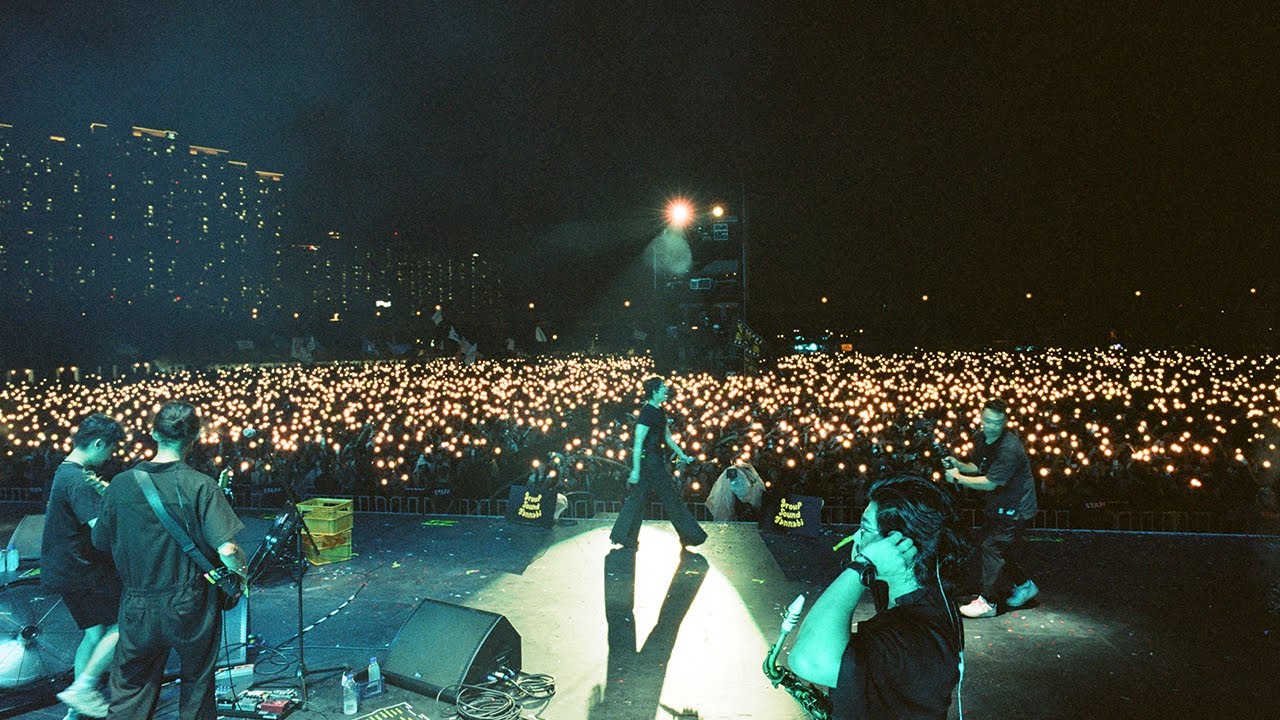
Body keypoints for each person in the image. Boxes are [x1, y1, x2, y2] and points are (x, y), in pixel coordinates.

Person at [92, 402, 247, 720]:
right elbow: (228, 550)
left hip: (138, 604)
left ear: (153, 433)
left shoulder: (121, 484)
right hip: (190, 603)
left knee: (131, 692)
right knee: (196, 687)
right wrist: (240, 576)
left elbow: (101, 542)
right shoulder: (200, 485)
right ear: (194, 438)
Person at [789, 475, 965, 719]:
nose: (857, 537)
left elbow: (807, 660)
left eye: (865, 528)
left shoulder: (912, 636)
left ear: (899, 542)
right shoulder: (915, 597)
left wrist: (862, 566)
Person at [41, 413, 126, 719]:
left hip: (65, 570)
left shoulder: (65, 472)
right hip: (82, 571)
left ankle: (75, 710)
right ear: (99, 443)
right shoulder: (78, 479)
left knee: (94, 633)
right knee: (125, 622)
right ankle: (83, 688)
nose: (110, 456)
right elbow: (99, 530)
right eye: (111, 449)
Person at [943, 398, 1039, 618]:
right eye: (988, 421)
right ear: (981, 418)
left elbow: (990, 482)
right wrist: (959, 465)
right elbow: (978, 467)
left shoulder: (1009, 449)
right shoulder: (981, 438)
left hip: (1016, 507)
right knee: (1000, 548)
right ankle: (1025, 586)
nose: (992, 426)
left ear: (1005, 422)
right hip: (999, 505)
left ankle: (989, 602)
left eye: (997, 422)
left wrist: (957, 478)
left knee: (992, 547)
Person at [610, 375, 707, 549]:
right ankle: (690, 535)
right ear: (654, 392)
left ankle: (624, 536)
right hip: (650, 463)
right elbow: (638, 442)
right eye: (663, 387)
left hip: (655, 460)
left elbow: (668, 437)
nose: (666, 390)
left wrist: (682, 455)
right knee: (670, 498)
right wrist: (635, 470)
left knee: (638, 499)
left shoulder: (659, 411)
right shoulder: (647, 412)